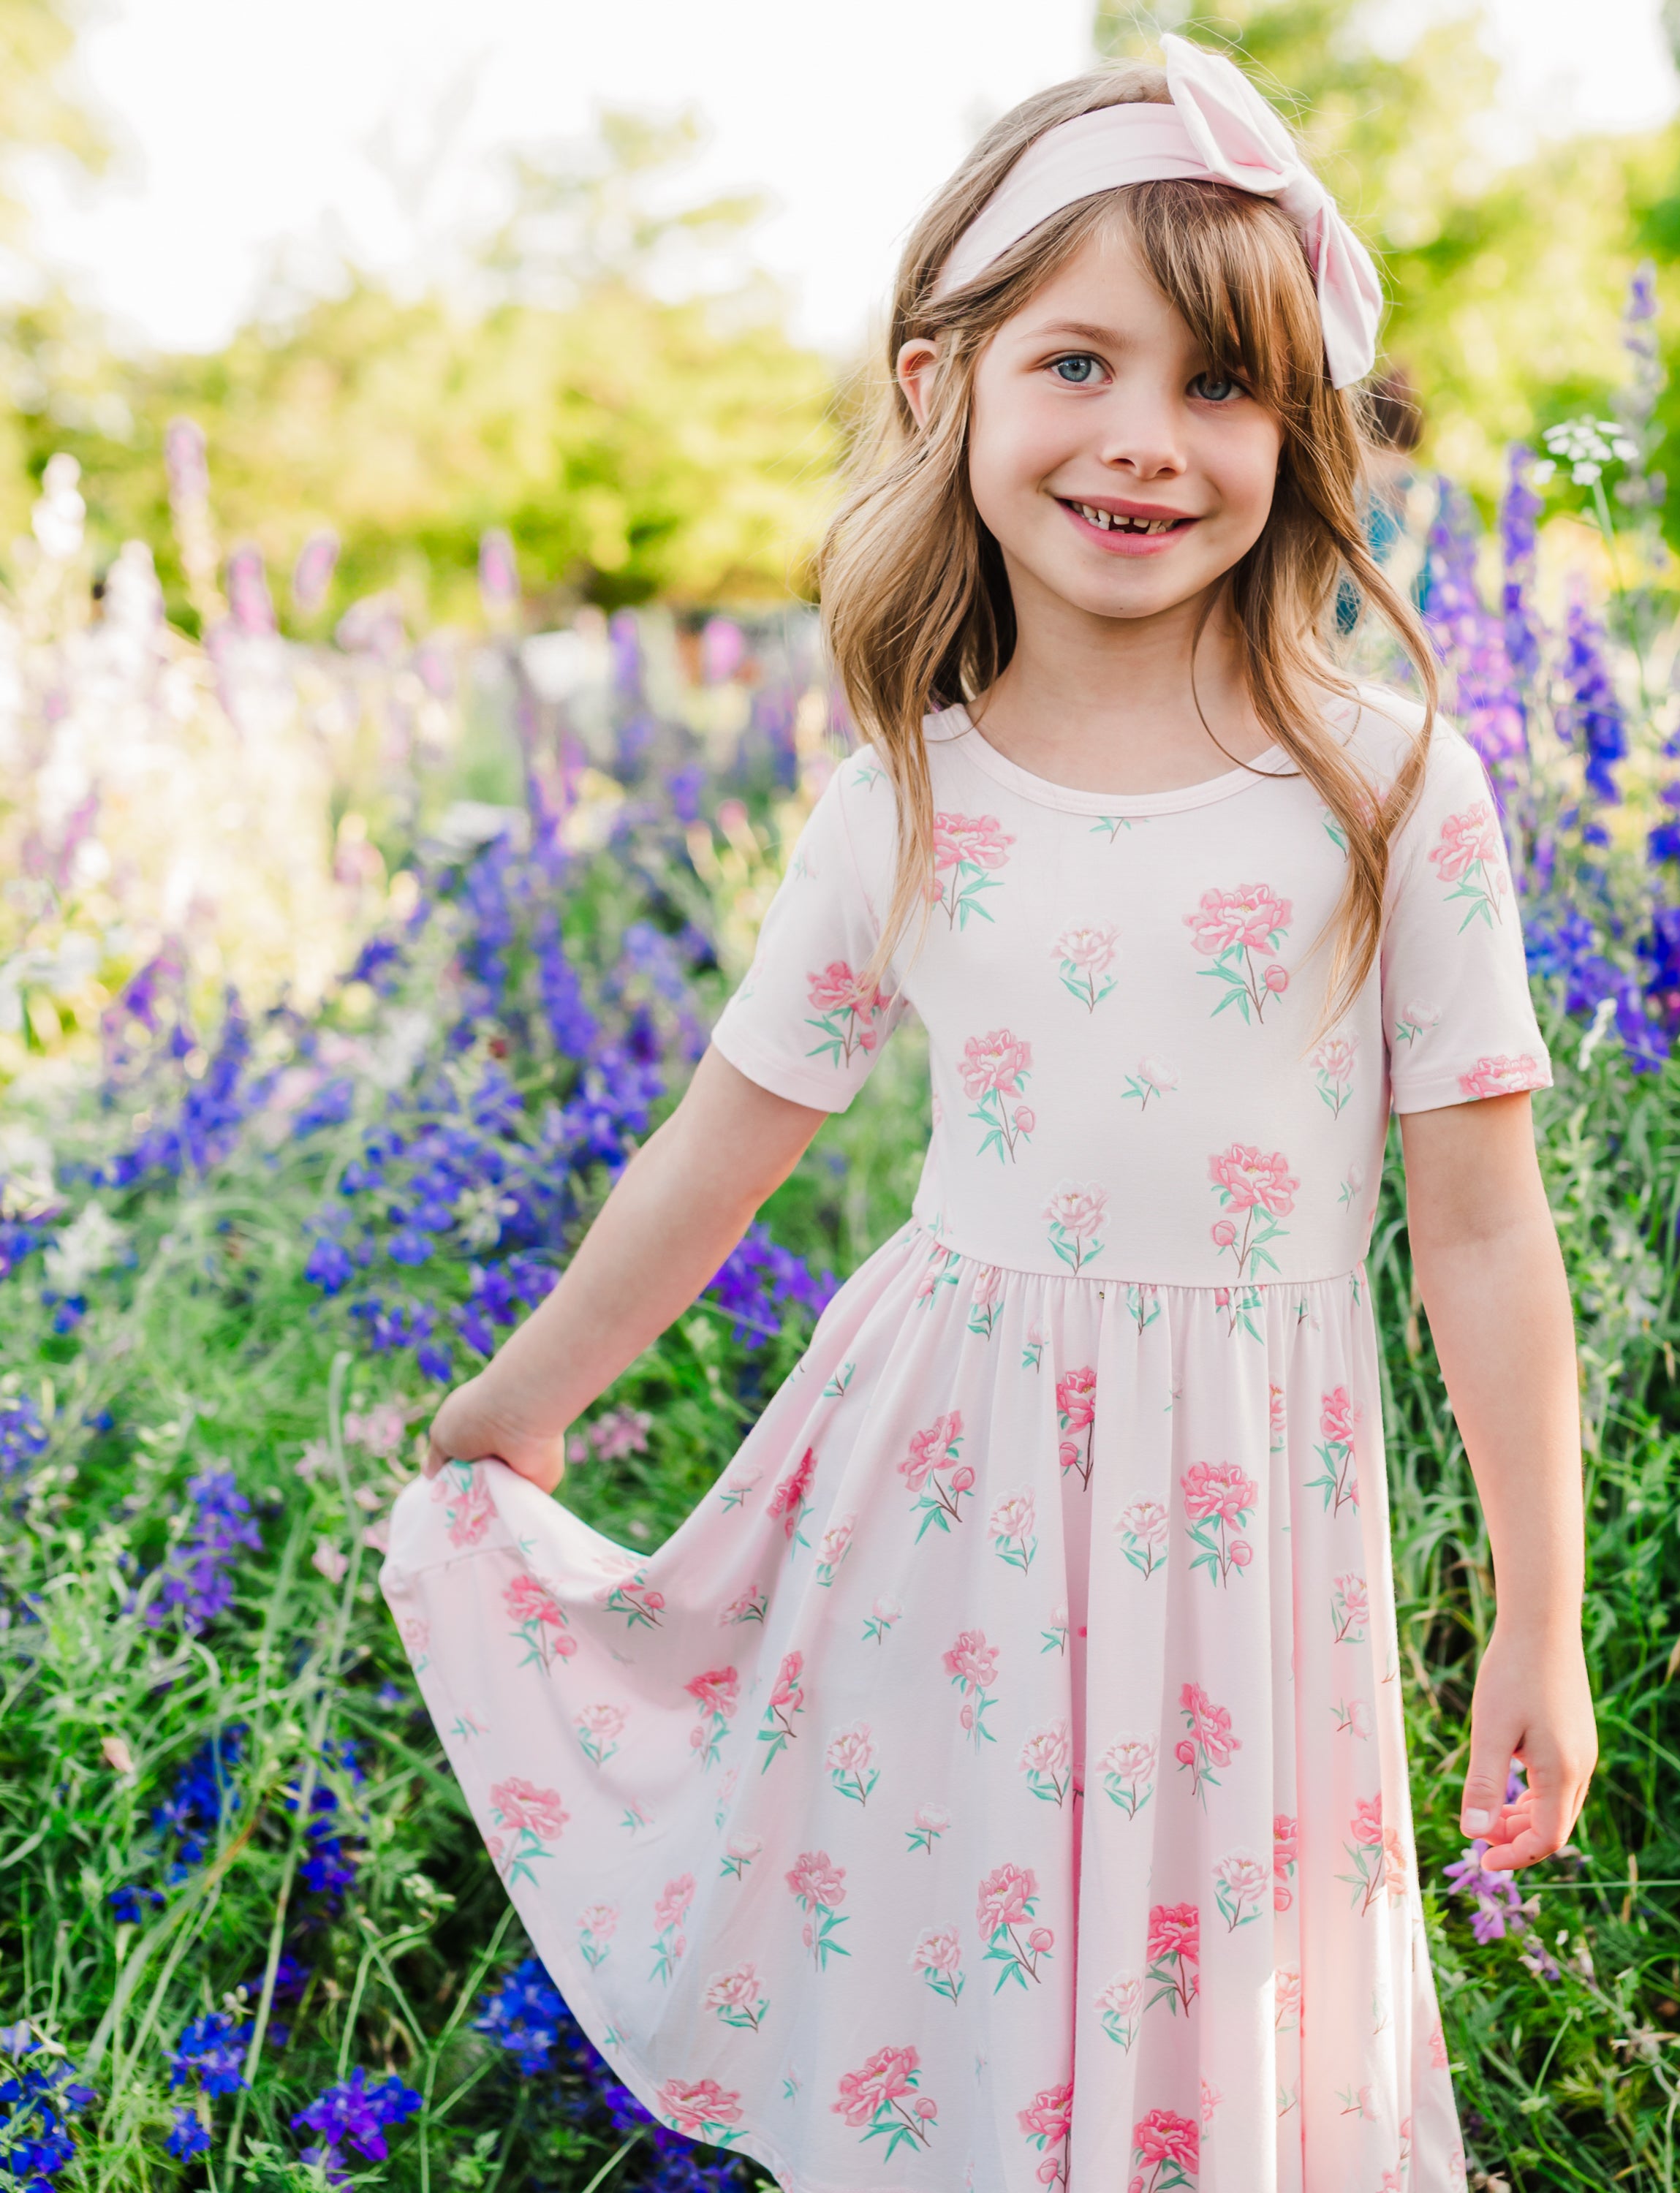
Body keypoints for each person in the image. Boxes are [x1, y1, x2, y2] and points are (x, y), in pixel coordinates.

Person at [380, 33, 1594, 2192]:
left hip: (1245, 1524)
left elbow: (1487, 1232)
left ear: (1304, 429)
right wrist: (522, 1404)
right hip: (944, 1508)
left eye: (1225, 387)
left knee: (1231, 2042)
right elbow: (719, 1147)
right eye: (1081, 365)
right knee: (964, 2027)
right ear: (946, 384)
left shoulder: (1392, 788)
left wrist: (1539, 1608)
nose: (1146, 441)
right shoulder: (907, 797)